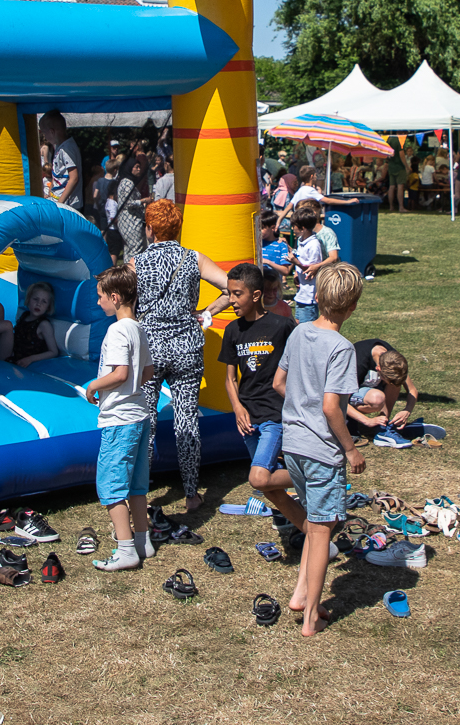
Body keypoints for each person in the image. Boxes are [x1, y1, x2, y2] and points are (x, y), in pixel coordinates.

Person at [269, 263, 366, 636]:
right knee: (324, 528)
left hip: (293, 444)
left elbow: (280, 382)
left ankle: (300, 595)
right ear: (353, 305)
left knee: (315, 522)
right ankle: (310, 614)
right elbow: (330, 407)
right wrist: (351, 449)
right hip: (323, 450)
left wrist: (299, 406)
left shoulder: (299, 333)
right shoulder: (341, 349)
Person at [131, 199, 229, 511]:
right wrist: (206, 312)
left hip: (151, 350)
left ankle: (141, 494)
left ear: (149, 229)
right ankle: (190, 493)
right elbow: (231, 288)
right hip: (188, 346)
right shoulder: (194, 259)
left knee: (146, 421)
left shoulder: (136, 263)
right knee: (186, 418)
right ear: (178, 228)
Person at [215, 262, 307, 527]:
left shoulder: (282, 326)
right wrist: (238, 409)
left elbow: (300, 370)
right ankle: (311, 532)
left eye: (237, 294)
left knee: (258, 478)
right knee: (270, 488)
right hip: (247, 420)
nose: (231, 300)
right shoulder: (233, 330)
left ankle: (317, 472)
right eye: (229, 293)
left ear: (256, 295)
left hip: (275, 415)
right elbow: (230, 379)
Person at [86, 265, 158, 572]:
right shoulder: (138, 328)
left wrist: (93, 386)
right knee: (137, 485)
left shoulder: (116, 330)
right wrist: (131, 389)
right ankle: (143, 540)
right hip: (140, 414)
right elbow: (147, 372)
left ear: (115, 297)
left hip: (119, 419)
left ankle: (126, 548)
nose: (98, 301)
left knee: (111, 486)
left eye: (101, 296)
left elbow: (121, 373)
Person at [344, 341, 417, 441]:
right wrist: (367, 421)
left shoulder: (393, 360)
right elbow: (340, 402)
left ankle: (382, 427)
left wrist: (407, 410)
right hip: (347, 393)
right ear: (378, 368)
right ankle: (349, 420)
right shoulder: (358, 361)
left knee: (395, 384)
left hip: (366, 390)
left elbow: (412, 390)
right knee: (377, 398)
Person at [0, 280, 59, 367]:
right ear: (28, 299)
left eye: (44, 302)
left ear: (48, 307)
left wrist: (30, 359)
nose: (38, 304)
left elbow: (53, 352)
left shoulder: (44, 325)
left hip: (11, 358)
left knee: (8, 326)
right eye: (35, 299)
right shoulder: (25, 315)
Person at [288, 204, 339, 324]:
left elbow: (311, 271)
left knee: (307, 327)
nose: (292, 229)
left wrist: (295, 262)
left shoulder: (313, 245)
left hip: (309, 296)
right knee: (298, 324)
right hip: (301, 293)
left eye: (294, 226)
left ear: (303, 228)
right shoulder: (301, 240)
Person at [40, 110, 83, 214]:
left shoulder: (67, 149)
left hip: (68, 204)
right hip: (57, 199)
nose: (44, 137)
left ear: (52, 132)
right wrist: (50, 191)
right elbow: (57, 174)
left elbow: (74, 178)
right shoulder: (59, 147)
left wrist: (60, 203)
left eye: (44, 133)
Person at [110, 154, 150, 261]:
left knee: (128, 251)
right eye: (136, 167)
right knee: (136, 251)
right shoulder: (128, 183)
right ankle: (133, 274)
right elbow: (129, 203)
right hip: (131, 222)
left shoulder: (124, 181)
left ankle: (127, 274)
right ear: (129, 168)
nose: (139, 169)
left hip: (125, 222)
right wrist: (144, 200)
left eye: (139, 167)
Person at [384, 137, 408, 213]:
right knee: (400, 186)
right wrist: (406, 166)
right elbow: (402, 155)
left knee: (391, 186)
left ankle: (391, 206)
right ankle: (401, 207)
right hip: (399, 167)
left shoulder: (388, 140)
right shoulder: (399, 141)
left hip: (391, 166)